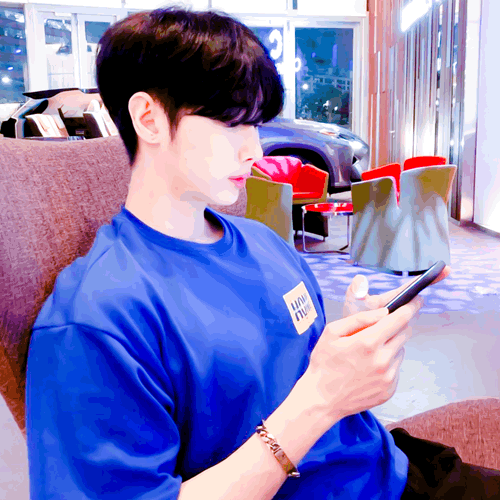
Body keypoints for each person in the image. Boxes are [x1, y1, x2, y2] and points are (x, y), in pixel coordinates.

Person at [25, 6, 499, 500]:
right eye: (232, 123)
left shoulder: (263, 242)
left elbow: (293, 376)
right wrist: (322, 398)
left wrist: (348, 341)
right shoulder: (96, 319)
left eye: (256, 124)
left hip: (393, 465)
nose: (255, 152)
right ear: (149, 118)